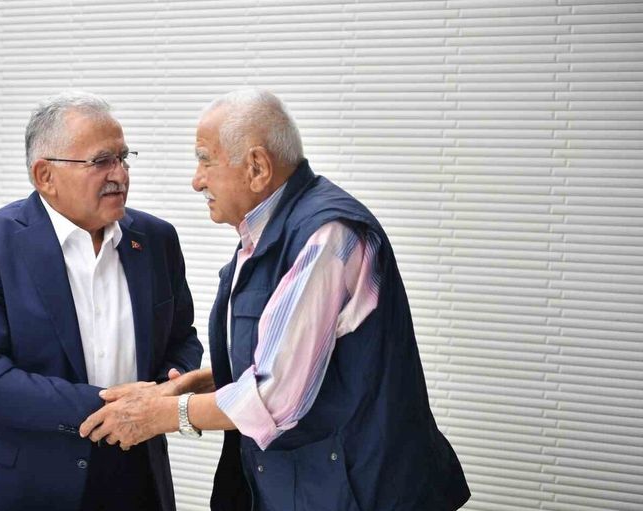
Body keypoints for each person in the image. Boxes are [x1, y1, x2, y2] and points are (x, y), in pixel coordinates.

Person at [80, 89, 471, 510]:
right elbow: (291, 357)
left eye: (205, 160)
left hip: (362, 490)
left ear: (257, 167)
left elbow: (275, 397)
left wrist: (158, 416)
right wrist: (199, 383)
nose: (197, 181)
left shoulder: (326, 237)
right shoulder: (267, 232)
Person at [0, 90, 202, 511]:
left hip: (136, 473)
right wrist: (114, 406)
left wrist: (168, 389)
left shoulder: (156, 240)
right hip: (23, 481)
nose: (120, 174)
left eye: (123, 158)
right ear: (45, 175)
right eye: (102, 161)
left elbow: (181, 338)